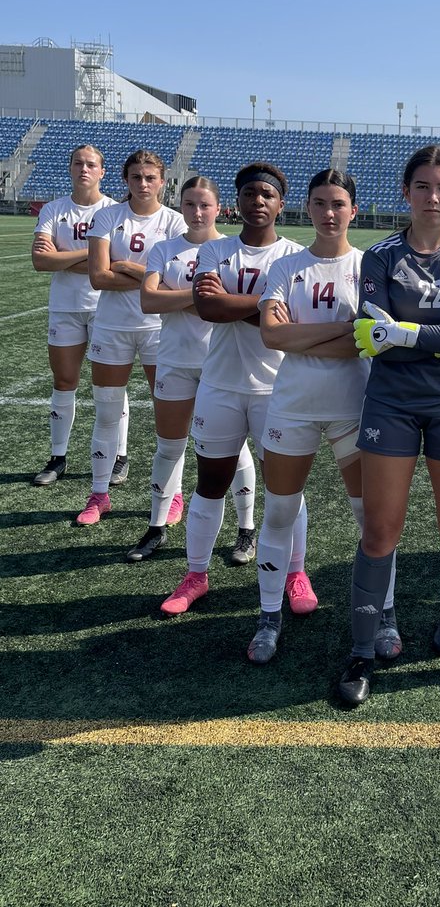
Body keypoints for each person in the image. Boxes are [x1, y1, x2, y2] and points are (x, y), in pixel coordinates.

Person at [337, 145, 440, 708]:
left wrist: (403, 334)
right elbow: (370, 335)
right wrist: (432, 339)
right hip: (391, 406)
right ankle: (360, 652)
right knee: (381, 532)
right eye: (423, 186)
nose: (433, 197)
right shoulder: (378, 258)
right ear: (406, 193)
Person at [247, 170, 398, 664]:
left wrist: (303, 334)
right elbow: (271, 336)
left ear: (354, 209)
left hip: (356, 409)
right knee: (279, 513)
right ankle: (269, 617)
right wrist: (341, 332)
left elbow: (368, 339)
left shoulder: (369, 266)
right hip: (291, 406)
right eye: (319, 203)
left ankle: (385, 613)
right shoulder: (286, 266)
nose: (329, 212)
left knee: (370, 518)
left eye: (338, 203)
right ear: (307, 209)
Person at [160, 162, 303, 615]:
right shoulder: (216, 250)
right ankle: (196, 575)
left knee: (286, 492)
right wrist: (266, 305)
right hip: (220, 384)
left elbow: (290, 321)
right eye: (249, 193)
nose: (257, 201)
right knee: (210, 485)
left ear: (281, 202)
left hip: (277, 389)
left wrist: (236, 304)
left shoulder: (296, 256)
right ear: (235, 202)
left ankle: (296, 573)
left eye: (267, 194)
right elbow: (206, 307)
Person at [125, 176, 257, 562]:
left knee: (235, 450)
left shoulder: (230, 251)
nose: (197, 213)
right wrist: (204, 297)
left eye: (205, 205)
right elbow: (149, 301)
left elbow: (236, 304)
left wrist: (181, 297)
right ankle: (156, 525)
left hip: (222, 365)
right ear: (179, 206)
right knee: (169, 446)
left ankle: (246, 529)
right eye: (189, 205)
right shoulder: (165, 248)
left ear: (219, 208)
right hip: (174, 360)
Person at [75, 150, 187, 526]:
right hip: (112, 327)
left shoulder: (174, 222)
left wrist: (123, 266)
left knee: (169, 418)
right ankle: (99, 494)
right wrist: (145, 275)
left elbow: (174, 282)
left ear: (162, 181)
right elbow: (98, 277)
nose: (142, 184)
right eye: (136, 177)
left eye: (149, 177)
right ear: (125, 179)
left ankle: (174, 494)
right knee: (107, 414)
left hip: (161, 330)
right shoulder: (107, 217)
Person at [30, 145, 126, 486]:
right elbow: (40, 261)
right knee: (64, 381)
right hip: (65, 307)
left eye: (91, 164)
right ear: (69, 168)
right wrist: (89, 255)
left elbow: (114, 264)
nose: (84, 169)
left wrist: (65, 255)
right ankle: (58, 457)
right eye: (78, 163)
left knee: (111, 386)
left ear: (102, 171)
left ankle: (119, 456)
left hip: (107, 306)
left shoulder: (115, 210)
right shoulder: (55, 210)